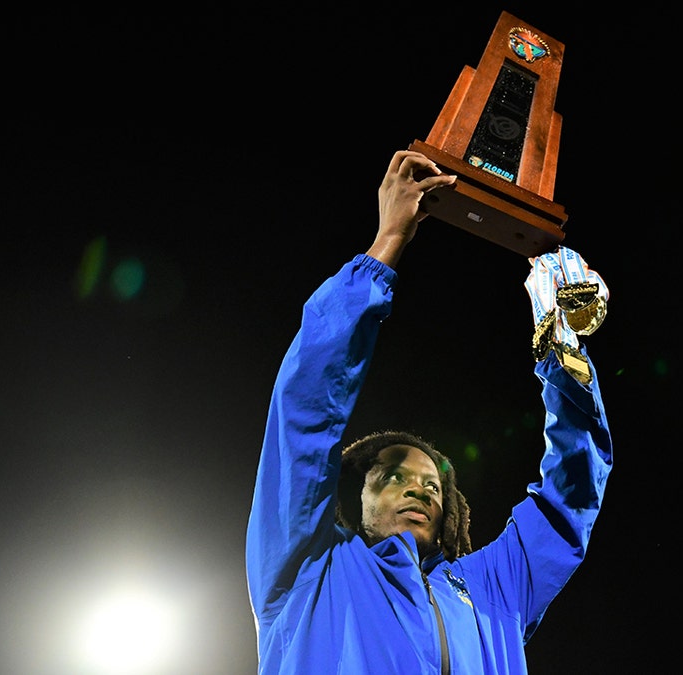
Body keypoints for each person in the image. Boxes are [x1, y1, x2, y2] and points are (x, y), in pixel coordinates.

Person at [245, 149, 613, 674]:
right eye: (394, 477)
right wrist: (386, 244)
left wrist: (561, 346)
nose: (420, 489)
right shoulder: (307, 566)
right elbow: (304, 410)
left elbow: (571, 495)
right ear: (354, 496)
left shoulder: (493, 590)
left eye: (433, 486)